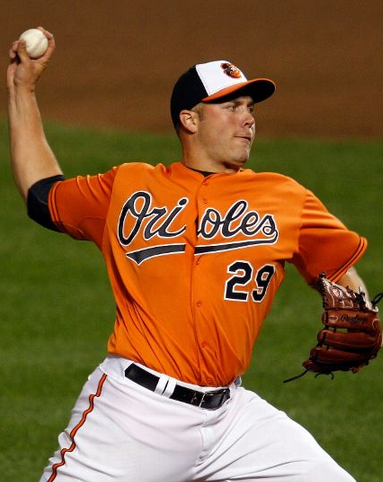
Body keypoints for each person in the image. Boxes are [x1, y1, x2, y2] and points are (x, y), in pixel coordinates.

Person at [7, 27, 371, 482]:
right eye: (231, 106)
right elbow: (42, 194)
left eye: (250, 108)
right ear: (190, 119)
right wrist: (23, 89)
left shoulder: (284, 196)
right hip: (135, 415)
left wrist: (360, 305)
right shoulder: (129, 186)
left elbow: (337, 267)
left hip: (233, 421)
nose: (248, 119)